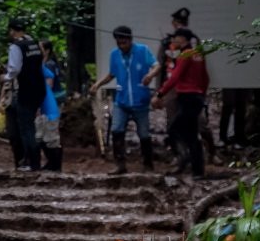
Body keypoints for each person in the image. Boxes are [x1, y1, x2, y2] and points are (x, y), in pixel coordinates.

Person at [90, 26, 157, 175]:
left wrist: (150, 75)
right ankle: (120, 164)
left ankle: (148, 164)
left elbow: (157, 65)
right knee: (116, 130)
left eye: (124, 43)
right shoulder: (114, 54)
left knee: (144, 134)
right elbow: (111, 74)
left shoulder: (143, 50)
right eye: (119, 43)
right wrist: (98, 84)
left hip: (140, 100)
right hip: (122, 101)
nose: (122, 46)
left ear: (130, 39)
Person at [153, 28, 210, 178]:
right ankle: (197, 170)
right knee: (191, 134)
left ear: (183, 39)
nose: (172, 41)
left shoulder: (185, 55)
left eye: (175, 38)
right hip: (196, 98)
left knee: (174, 129)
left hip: (187, 97)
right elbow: (205, 78)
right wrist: (202, 95)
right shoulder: (198, 54)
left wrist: (159, 94)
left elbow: (174, 77)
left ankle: (183, 158)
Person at [1, 19, 46, 172]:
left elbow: (14, 69)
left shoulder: (16, 46)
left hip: (25, 90)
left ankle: (31, 163)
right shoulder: (35, 43)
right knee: (31, 125)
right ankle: (34, 162)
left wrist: (5, 77)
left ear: (13, 31)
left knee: (26, 128)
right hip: (39, 89)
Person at [37, 39, 64, 172]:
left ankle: (55, 165)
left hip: (52, 102)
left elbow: (49, 85)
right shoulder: (45, 64)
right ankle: (51, 162)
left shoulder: (49, 65)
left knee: (51, 132)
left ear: (46, 50)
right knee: (42, 133)